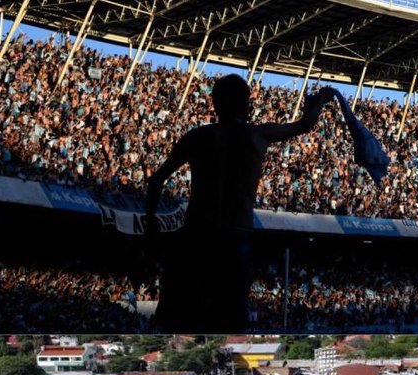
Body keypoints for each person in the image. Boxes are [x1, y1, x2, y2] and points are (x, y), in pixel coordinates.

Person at [144, 73, 339, 329]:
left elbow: (157, 180)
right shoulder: (258, 135)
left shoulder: (199, 137)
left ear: (215, 102)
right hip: (236, 239)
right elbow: (304, 125)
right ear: (245, 104)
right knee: (229, 321)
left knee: (177, 319)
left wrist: (151, 224)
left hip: (196, 236)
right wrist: (320, 101)